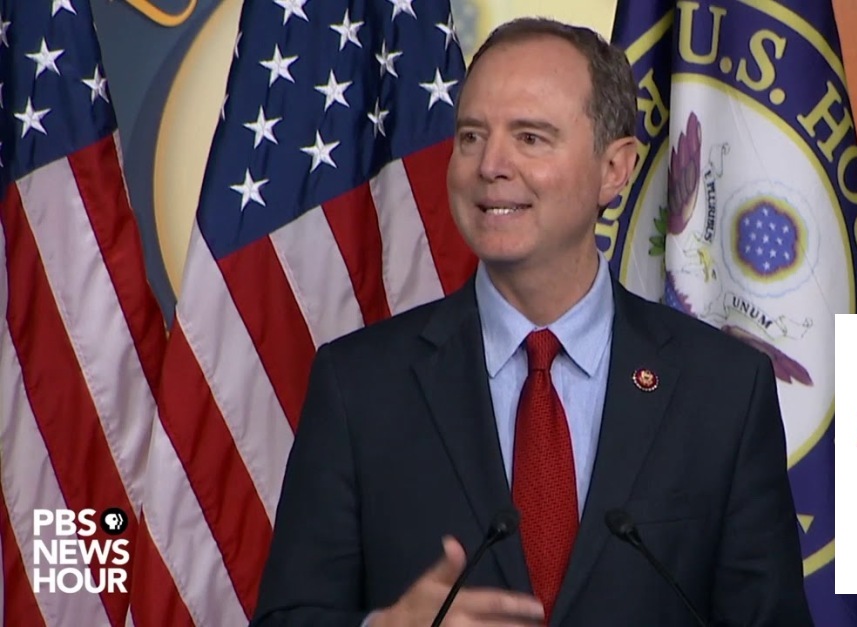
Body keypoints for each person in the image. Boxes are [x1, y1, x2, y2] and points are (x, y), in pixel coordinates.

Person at [251, 17, 811, 627]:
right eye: (471, 136)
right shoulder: (358, 385)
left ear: (614, 168)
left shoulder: (724, 388)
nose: (490, 164)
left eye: (531, 138)